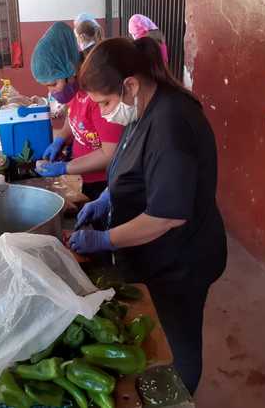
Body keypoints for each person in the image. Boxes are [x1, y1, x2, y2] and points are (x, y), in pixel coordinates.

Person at [69, 36, 227, 394]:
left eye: (106, 102)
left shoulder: (171, 123)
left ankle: (180, 396)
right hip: (158, 252)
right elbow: (131, 164)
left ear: (130, 85)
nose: (106, 111)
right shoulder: (142, 109)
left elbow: (166, 216)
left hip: (183, 258)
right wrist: (107, 198)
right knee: (163, 331)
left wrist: (104, 238)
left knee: (180, 343)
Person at [31, 22, 123, 200]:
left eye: (53, 84)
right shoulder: (74, 89)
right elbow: (72, 121)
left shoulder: (99, 96)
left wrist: (65, 168)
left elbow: (109, 154)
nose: (52, 91)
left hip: (103, 184)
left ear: (70, 70)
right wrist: (60, 140)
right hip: (81, 178)